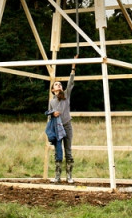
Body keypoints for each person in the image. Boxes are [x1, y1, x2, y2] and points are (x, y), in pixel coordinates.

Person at [48, 55, 77, 183]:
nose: (59, 85)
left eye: (60, 84)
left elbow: (70, 83)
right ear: (53, 89)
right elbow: (49, 114)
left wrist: (73, 67)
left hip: (67, 126)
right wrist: (52, 114)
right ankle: (57, 176)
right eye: (56, 84)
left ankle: (69, 176)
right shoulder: (51, 101)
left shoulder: (66, 95)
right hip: (57, 128)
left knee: (68, 151)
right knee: (58, 152)